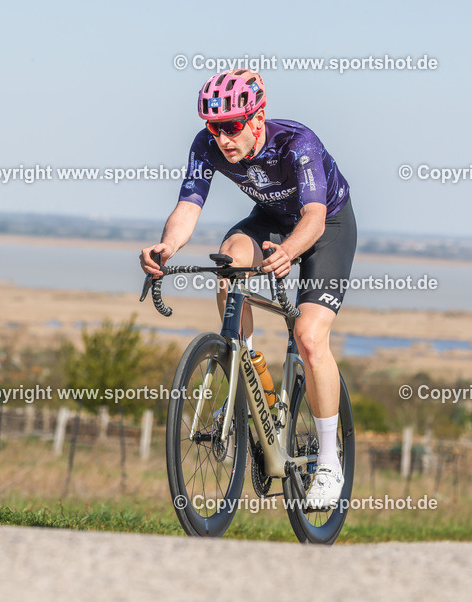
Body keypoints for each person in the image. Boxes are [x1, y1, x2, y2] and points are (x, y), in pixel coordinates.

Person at [139, 68, 357, 509]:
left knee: (309, 337)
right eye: (214, 128)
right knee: (230, 264)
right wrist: (167, 246)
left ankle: (330, 460)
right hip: (271, 220)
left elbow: (313, 216)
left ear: (258, 118)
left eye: (233, 127)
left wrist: (290, 252)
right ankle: (247, 375)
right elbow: (188, 205)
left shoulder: (298, 143)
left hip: (325, 225)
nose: (222, 138)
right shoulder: (207, 146)